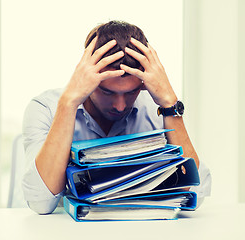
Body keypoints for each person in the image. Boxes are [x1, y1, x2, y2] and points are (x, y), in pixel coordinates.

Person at [22, 20, 211, 214]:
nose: (120, 106)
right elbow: (41, 203)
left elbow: (197, 193)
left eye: (131, 92)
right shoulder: (45, 109)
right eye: (107, 92)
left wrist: (170, 105)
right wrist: (68, 104)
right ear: (86, 76)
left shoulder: (156, 109)